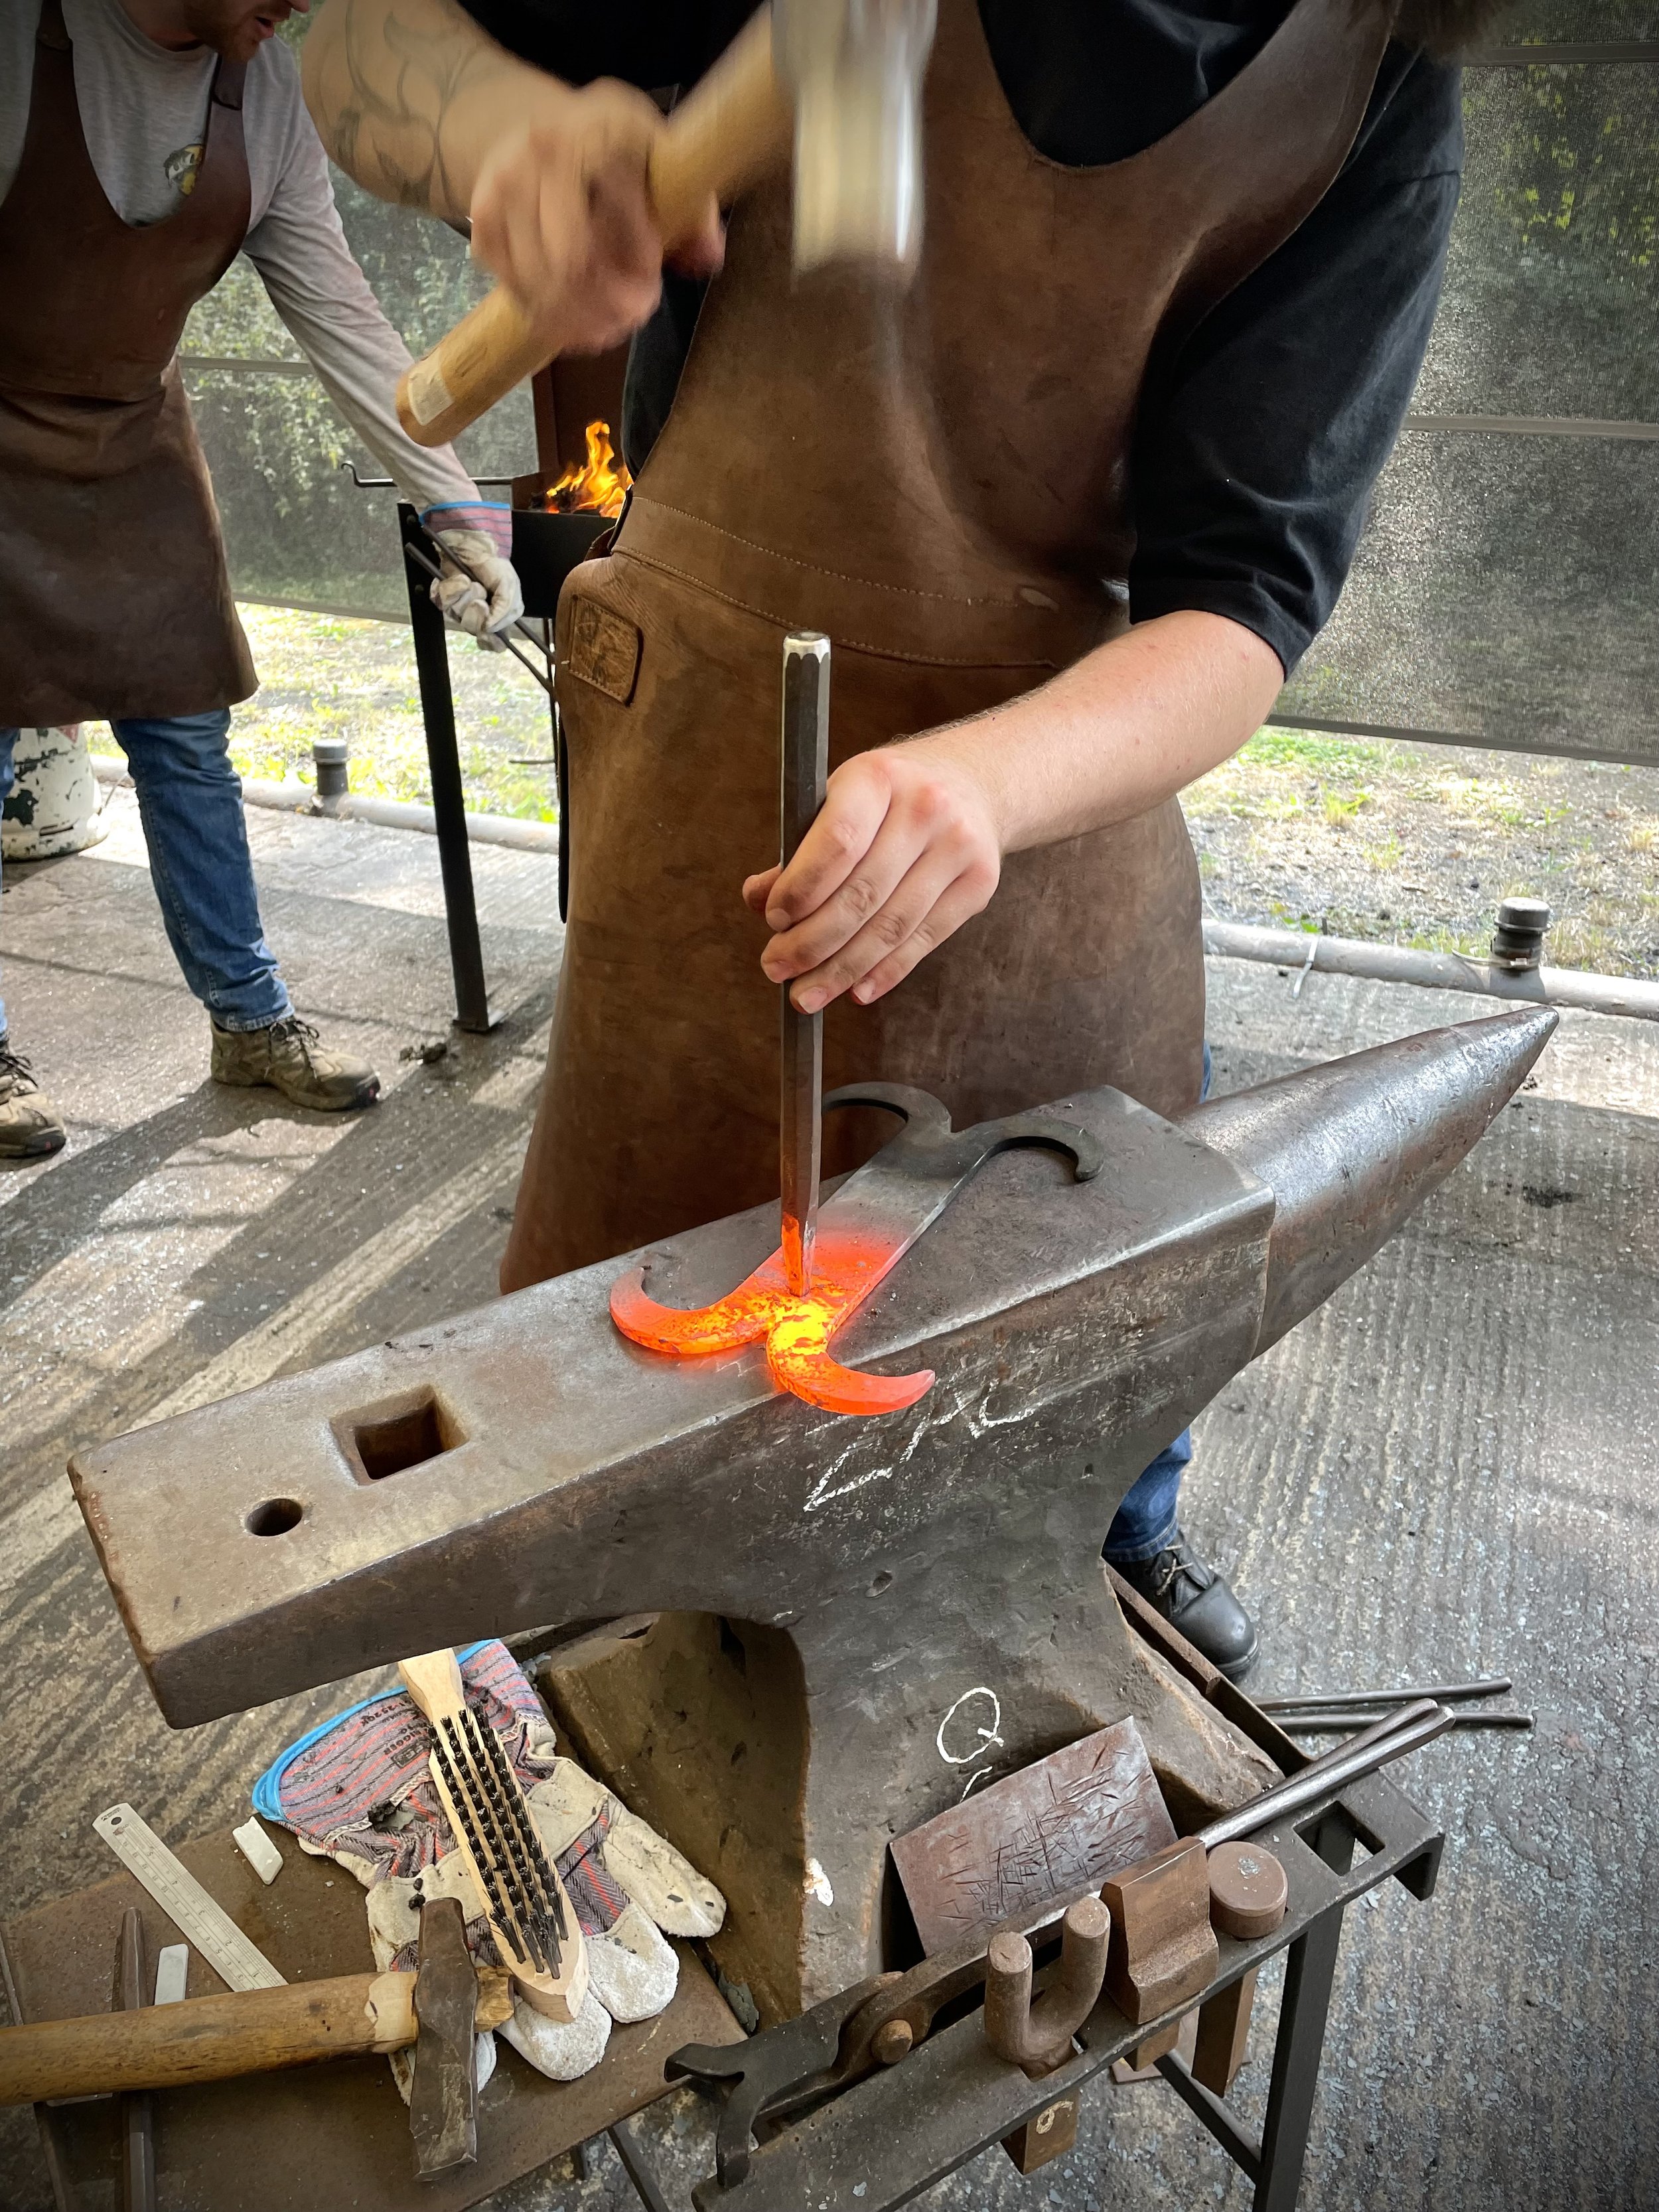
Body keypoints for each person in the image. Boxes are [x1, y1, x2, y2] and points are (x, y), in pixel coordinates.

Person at [304, 0, 1507, 1678]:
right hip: (701, 765)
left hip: (1050, 798)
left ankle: (1119, 1529)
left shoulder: (1366, 84)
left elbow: (1243, 607)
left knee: (1066, 1316)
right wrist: (491, 129)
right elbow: (350, 44)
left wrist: (988, 786)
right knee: (600, 1410)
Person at [0, 0, 526, 1158]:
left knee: (187, 737)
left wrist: (461, 514)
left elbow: (341, 313)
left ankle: (249, 1021)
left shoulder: (268, 88)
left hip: (133, 433)